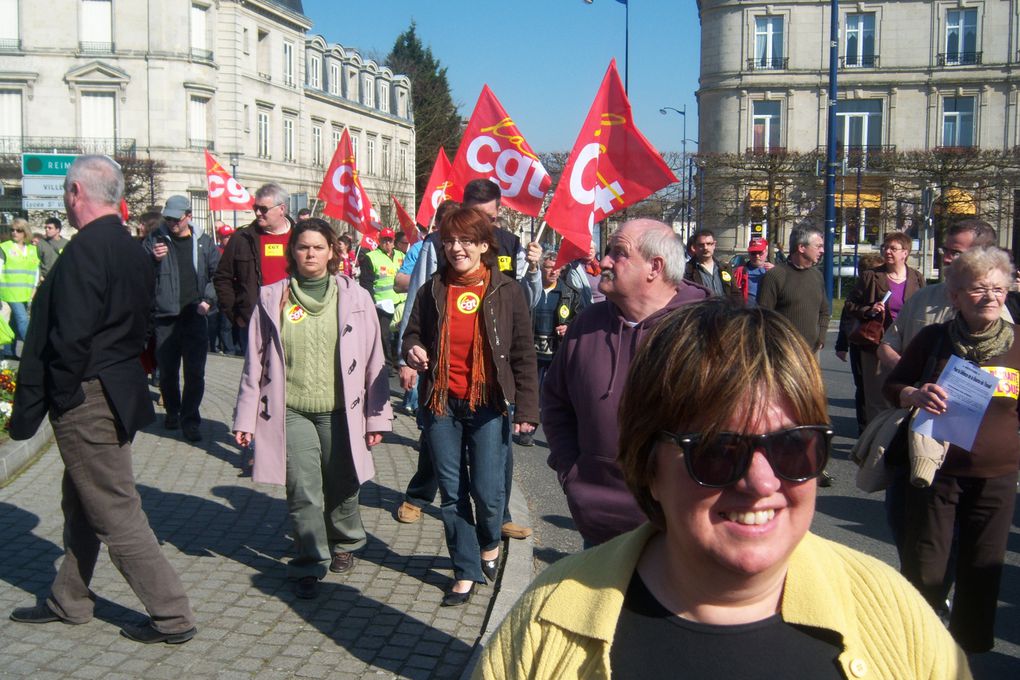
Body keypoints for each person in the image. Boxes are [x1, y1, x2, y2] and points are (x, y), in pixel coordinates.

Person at [474, 299, 971, 680]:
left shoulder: (894, 612)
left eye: (795, 448)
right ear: (648, 463)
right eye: (716, 450)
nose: (761, 482)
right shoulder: (547, 621)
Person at [7, 155, 196, 644]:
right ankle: (69, 598)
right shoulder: (135, 248)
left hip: (88, 395)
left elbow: (69, 338)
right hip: (115, 387)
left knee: (113, 509)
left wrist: (61, 396)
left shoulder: (86, 249)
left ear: (75, 194)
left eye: (67, 197)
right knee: (82, 501)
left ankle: (172, 615)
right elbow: (139, 322)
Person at [232, 219, 392, 600]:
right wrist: (245, 418)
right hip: (292, 410)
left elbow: (374, 359)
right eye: (303, 247)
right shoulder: (273, 297)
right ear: (292, 252)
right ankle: (309, 561)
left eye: (318, 247)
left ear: (333, 252)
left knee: (343, 483)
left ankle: (346, 541)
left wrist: (377, 416)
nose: (310, 254)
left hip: (343, 410)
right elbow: (254, 362)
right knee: (303, 489)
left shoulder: (356, 297)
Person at [884, 246, 1019, 654]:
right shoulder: (934, 338)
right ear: (955, 296)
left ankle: (971, 651)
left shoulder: (1018, 344)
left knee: (983, 564)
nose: (991, 297)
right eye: (979, 289)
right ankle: (921, 645)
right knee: (927, 563)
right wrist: (914, 393)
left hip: (997, 475)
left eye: (998, 288)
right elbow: (894, 387)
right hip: (936, 469)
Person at [402, 206, 539, 606]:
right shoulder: (433, 288)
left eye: (465, 240)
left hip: (488, 404)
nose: (456, 248)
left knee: (488, 490)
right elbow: (412, 331)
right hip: (442, 402)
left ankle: (490, 543)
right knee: (452, 490)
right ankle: (464, 569)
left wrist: (528, 411)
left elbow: (522, 355)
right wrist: (413, 347)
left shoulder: (507, 290)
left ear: (484, 245)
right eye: (449, 241)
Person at [543, 219, 709, 547]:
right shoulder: (587, 323)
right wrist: (572, 474)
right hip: (598, 526)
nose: (604, 262)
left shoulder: (706, 329)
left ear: (654, 267)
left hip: (682, 533)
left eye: (619, 253)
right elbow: (555, 402)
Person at [143, 196, 220, 442]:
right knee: (167, 371)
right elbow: (139, 273)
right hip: (165, 317)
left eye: (177, 218)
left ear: (189, 216)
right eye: (168, 218)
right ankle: (173, 412)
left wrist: (208, 301)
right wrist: (152, 259)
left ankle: (190, 419)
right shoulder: (154, 240)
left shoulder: (204, 243)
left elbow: (217, 276)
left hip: (195, 315)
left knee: (195, 372)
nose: (172, 223)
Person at [844, 231, 925, 424]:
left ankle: (897, 435)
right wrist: (868, 309)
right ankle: (875, 439)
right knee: (876, 395)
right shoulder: (871, 276)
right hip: (876, 342)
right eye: (885, 247)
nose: (887, 251)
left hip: (906, 344)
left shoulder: (916, 278)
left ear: (905, 253)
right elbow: (849, 304)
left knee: (904, 391)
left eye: (893, 248)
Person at [213, 183, 295, 354]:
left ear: (282, 209)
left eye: (263, 209)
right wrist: (236, 314)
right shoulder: (242, 238)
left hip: (292, 319)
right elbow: (222, 277)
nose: (258, 213)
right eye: (255, 208)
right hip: (254, 320)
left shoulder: (300, 235)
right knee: (257, 376)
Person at [756, 225, 829, 352]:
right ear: (801, 247)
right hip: (783, 352)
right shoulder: (775, 276)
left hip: (811, 352)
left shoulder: (816, 275)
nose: (822, 251)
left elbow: (824, 312)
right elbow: (763, 317)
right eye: (818, 246)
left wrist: (821, 338)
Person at [834, 252, 883, 433]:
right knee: (863, 386)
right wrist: (841, 345)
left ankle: (868, 426)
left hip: (872, 342)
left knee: (867, 387)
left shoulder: (880, 289)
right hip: (860, 341)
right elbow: (847, 318)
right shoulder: (860, 291)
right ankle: (865, 428)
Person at [359, 228, 405, 372]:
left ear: (394, 242)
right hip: (383, 304)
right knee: (384, 335)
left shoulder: (402, 255)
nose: (387, 243)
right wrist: (371, 301)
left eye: (390, 240)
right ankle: (387, 364)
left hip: (401, 301)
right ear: (379, 241)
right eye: (384, 240)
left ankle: (400, 361)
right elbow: (366, 282)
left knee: (401, 333)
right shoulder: (371, 257)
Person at [0, 218, 40, 359]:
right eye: (12, 230)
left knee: (14, 323)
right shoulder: (5, 247)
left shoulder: (32, 249)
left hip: (25, 293)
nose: (14, 233)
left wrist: (34, 288)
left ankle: (8, 352)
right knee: (22, 319)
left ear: (25, 232)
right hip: (9, 292)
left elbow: (35, 271)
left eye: (18, 230)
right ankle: (34, 350)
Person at [683, 228, 736, 297]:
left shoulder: (725, 267)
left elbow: (735, 293)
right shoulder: (687, 270)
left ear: (714, 245)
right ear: (695, 247)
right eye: (701, 245)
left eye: (708, 244)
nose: (705, 248)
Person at [562, 239, 605, 309]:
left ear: (595, 250)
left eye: (591, 248)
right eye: (585, 248)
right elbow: (577, 294)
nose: (588, 251)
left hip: (607, 307)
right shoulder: (575, 269)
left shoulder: (602, 266)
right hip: (589, 309)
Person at [731, 238, 773, 304]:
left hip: (767, 312)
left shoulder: (774, 271)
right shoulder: (740, 272)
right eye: (753, 253)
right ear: (749, 253)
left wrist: (776, 273)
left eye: (760, 252)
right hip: (747, 312)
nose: (757, 256)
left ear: (766, 252)